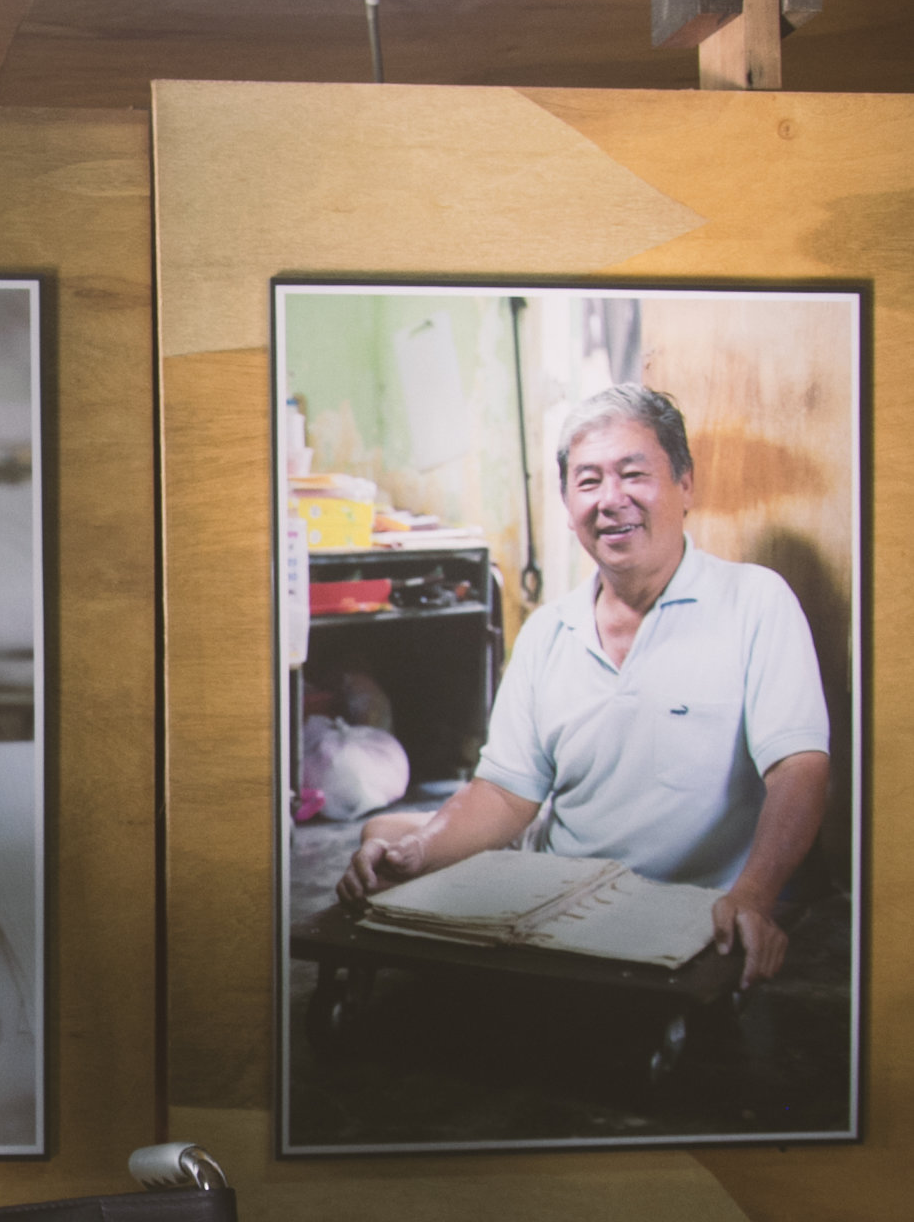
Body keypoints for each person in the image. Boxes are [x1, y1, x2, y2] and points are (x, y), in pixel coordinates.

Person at [339, 384, 831, 986]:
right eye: (589, 481)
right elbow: (505, 794)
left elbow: (800, 770)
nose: (611, 500)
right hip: (552, 896)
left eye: (633, 474)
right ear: (569, 504)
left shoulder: (754, 601)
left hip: (678, 907)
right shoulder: (550, 630)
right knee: (384, 842)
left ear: (685, 485)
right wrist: (417, 856)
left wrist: (753, 896)